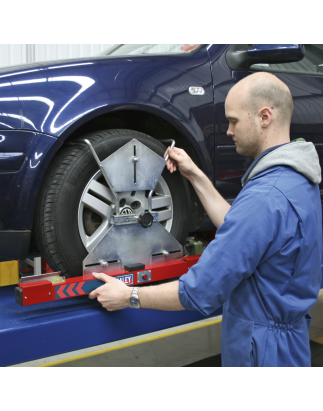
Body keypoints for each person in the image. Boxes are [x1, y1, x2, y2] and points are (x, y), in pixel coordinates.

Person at [89, 72, 322, 367]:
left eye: (234, 120)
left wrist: (129, 296)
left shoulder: (265, 196)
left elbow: (198, 292)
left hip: (262, 354)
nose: (228, 130)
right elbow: (243, 230)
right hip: (289, 346)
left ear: (264, 117)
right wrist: (194, 174)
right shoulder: (297, 180)